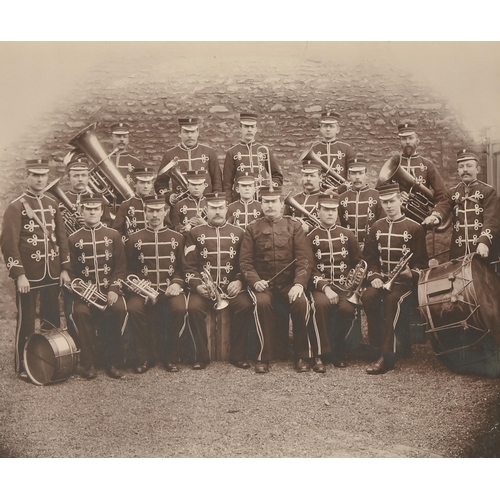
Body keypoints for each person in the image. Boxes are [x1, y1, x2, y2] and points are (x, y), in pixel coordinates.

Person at [1, 160, 71, 378]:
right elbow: (9, 244)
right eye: (35, 175)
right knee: (27, 320)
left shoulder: (53, 203)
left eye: (43, 175)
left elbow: (61, 238)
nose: (40, 179)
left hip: (52, 270)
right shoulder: (15, 206)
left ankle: (52, 360)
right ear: (27, 177)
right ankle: (24, 365)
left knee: (51, 317)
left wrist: (64, 268)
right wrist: (19, 274)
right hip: (29, 275)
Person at [239, 187, 314, 373]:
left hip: (289, 284)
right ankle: (263, 357)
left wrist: (298, 284)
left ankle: (301, 356)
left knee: (301, 302)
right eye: (266, 201)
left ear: (281, 204)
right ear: (261, 204)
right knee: (261, 303)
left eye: (274, 202)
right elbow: (245, 262)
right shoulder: (252, 228)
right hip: (264, 285)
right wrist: (255, 281)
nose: (270, 205)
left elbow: (304, 259)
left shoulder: (294, 226)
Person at [361, 183, 428, 375]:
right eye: (384, 202)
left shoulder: (415, 228)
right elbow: (370, 259)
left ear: (400, 200)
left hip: (405, 284)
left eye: (392, 201)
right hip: (382, 280)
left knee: (392, 301)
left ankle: (388, 357)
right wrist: (373, 276)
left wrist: (410, 273)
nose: (389, 206)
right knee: (368, 297)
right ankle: (377, 346)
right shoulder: (376, 227)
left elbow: (422, 264)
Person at [183, 192, 254, 370]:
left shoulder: (239, 233)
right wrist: (198, 286)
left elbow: (245, 263)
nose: (217, 212)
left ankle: (238, 355)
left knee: (245, 304)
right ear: (205, 209)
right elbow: (188, 266)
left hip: (230, 289)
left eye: (221, 207)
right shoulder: (194, 233)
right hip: (205, 289)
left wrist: (239, 281)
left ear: (227, 209)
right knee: (193, 307)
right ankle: (200, 356)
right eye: (213, 208)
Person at [67, 193, 128, 379]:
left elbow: (121, 266)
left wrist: (114, 289)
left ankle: (113, 363)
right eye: (88, 209)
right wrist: (80, 291)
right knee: (81, 313)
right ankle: (89, 364)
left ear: (102, 211)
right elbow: (71, 271)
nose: (92, 212)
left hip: (109, 291)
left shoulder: (113, 235)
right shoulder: (73, 238)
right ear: (81, 211)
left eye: (96, 209)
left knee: (117, 310)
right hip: (85, 295)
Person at [125, 195, 187, 373]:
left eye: (158, 210)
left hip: (169, 289)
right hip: (143, 291)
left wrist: (176, 283)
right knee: (133, 309)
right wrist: (138, 286)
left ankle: (171, 357)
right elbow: (128, 270)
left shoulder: (178, 237)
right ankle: (144, 358)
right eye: (150, 211)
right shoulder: (133, 238)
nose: (154, 215)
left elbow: (182, 268)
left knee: (179, 308)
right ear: (144, 213)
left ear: (165, 212)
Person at [308, 193, 364, 370]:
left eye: (333, 210)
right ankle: (319, 355)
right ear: (318, 211)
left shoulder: (348, 235)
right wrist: (325, 287)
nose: (330, 213)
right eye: (326, 210)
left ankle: (337, 352)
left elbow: (358, 262)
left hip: (344, 287)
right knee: (320, 305)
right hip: (320, 287)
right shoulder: (310, 236)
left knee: (347, 308)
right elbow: (309, 267)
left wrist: (356, 283)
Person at [423, 149, 497, 260]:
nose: (465, 170)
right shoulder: (453, 192)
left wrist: (484, 242)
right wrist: (435, 216)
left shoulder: (488, 191)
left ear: (477, 169)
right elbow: (443, 205)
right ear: (458, 170)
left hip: (482, 249)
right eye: (461, 167)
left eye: (469, 166)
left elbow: (492, 219)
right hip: (459, 251)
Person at [378, 122, 447, 223]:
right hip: (395, 219)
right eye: (404, 139)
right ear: (400, 142)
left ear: (417, 140)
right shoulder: (391, 164)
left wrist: (435, 213)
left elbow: (442, 194)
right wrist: (397, 195)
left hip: (420, 218)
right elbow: (379, 190)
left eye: (411, 138)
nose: (407, 142)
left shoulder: (427, 165)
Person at [155, 117, 223, 198]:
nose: (190, 136)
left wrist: (214, 199)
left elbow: (217, 181)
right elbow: (160, 184)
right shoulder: (170, 155)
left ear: (198, 132)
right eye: (186, 132)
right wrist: (169, 196)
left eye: (192, 132)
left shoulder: (209, 152)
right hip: (180, 205)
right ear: (179, 133)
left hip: (205, 203)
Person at [223, 112, 283, 203]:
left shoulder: (264, 150)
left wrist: (269, 187)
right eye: (246, 127)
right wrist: (229, 202)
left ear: (256, 129)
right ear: (240, 129)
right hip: (239, 200)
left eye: (252, 127)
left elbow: (277, 176)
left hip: (261, 199)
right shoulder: (232, 152)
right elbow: (227, 183)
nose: (249, 130)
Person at [338, 158, 383, 250]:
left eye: (360, 173)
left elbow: (382, 224)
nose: (357, 177)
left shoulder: (377, 196)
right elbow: (338, 226)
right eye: (353, 173)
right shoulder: (341, 198)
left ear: (367, 175)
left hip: (372, 247)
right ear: (349, 176)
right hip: (347, 247)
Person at [303, 111, 355, 189]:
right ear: (320, 129)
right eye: (325, 126)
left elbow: (354, 172)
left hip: (341, 191)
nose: (328, 129)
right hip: (319, 191)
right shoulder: (314, 149)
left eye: (331, 126)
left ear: (338, 129)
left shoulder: (347, 148)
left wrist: (345, 187)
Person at [112, 165, 156, 239]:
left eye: (148, 183)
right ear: (135, 184)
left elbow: (167, 227)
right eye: (142, 182)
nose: (146, 186)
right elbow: (117, 230)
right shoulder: (126, 205)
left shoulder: (158, 204)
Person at [283, 161, 323, 233]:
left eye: (312, 176)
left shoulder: (325, 199)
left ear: (320, 178)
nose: (308, 179)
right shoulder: (293, 200)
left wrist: (309, 229)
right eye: (306, 175)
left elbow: (334, 226)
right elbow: (284, 224)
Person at [169, 170, 207, 234]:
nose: (196, 188)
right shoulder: (179, 205)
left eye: (199, 184)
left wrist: (204, 224)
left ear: (205, 186)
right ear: (188, 186)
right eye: (193, 184)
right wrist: (182, 228)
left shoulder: (209, 204)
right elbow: (174, 225)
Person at [108, 122, 142, 187]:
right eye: (118, 136)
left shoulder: (136, 163)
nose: (122, 140)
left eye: (125, 137)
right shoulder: (104, 160)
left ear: (128, 140)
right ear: (111, 139)